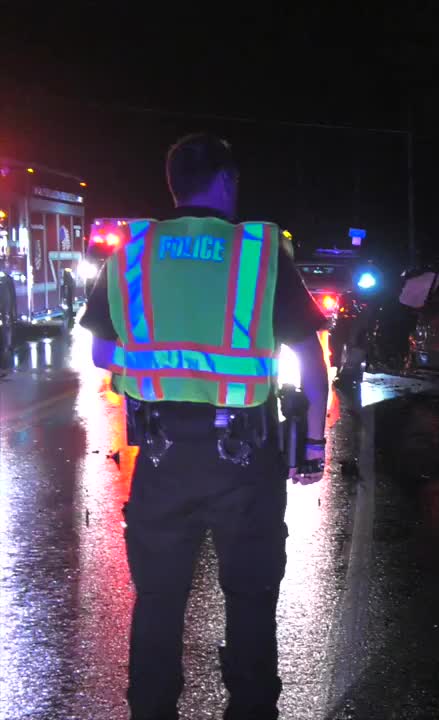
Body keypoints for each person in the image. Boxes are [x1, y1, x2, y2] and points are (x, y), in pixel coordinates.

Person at [80, 133, 331, 720]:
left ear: (174, 185)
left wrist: (160, 368)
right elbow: (310, 361)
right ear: (224, 182)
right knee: (249, 598)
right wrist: (312, 445)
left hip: (163, 457)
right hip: (245, 458)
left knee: (159, 602)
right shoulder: (259, 254)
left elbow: (99, 354)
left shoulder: (134, 253)